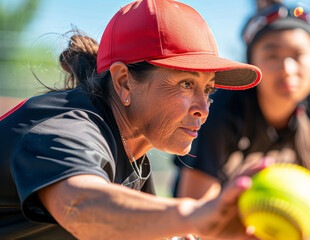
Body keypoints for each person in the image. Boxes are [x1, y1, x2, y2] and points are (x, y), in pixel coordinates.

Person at [0, 0, 268, 239]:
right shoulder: (68, 127)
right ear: (124, 82)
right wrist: (192, 215)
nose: (203, 108)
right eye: (186, 83)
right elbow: (80, 206)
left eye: (208, 90)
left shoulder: (130, 153)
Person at [173, 2, 310, 240]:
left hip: (293, 197)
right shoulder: (224, 106)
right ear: (252, 63)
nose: (287, 68)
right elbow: (197, 210)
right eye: (272, 54)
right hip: (225, 198)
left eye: (299, 54)